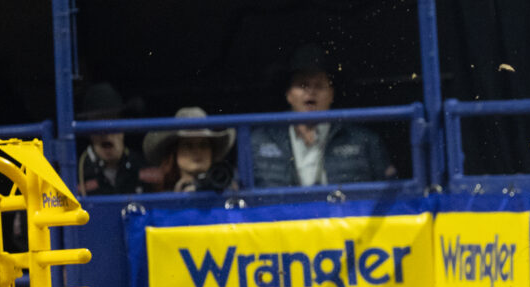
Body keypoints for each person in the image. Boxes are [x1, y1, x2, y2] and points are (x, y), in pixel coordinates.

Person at [251, 45, 396, 187]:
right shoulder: (258, 142)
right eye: (302, 85)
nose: (311, 91)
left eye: (319, 85)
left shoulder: (365, 141)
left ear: (332, 94)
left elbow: (391, 193)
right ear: (288, 94)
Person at [75, 82, 149, 196]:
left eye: (111, 120)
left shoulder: (141, 166)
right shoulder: (75, 173)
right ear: (88, 131)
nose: (106, 131)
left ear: (123, 126)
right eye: (98, 122)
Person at [143, 106, 239, 192]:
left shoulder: (229, 187)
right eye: (188, 146)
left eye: (203, 145)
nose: (197, 151)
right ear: (175, 151)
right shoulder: (160, 193)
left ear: (212, 151)